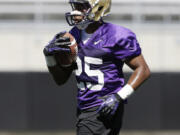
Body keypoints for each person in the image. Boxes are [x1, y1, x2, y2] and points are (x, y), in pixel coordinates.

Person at [43, 0, 151, 134]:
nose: (75, 12)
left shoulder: (116, 35)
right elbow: (60, 80)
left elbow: (143, 70)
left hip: (104, 105)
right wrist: (49, 57)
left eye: (81, 7)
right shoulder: (73, 36)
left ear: (99, 8)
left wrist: (119, 97)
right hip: (85, 106)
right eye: (75, 7)